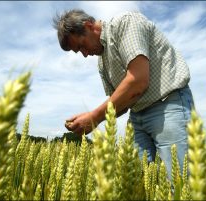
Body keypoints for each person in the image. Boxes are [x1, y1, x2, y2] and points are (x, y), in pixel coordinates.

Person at [53, 9, 194, 178]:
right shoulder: (101, 62)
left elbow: (138, 81)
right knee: (132, 185)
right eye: (79, 51)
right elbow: (119, 105)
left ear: (89, 26)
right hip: (136, 116)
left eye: (81, 46)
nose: (84, 55)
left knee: (180, 183)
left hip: (168, 105)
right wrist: (89, 118)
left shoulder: (125, 23)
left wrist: (94, 117)